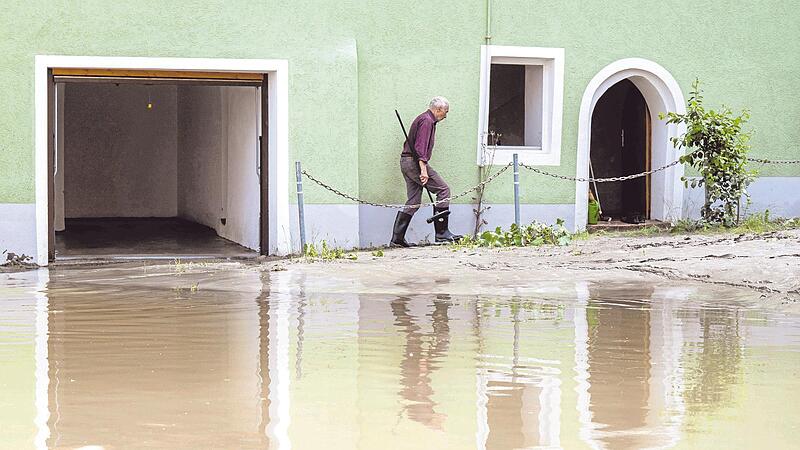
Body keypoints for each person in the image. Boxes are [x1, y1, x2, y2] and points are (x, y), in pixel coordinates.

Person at [390, 97, 462, 247]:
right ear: (438, 109)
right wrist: (423, 170)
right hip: (414, 163)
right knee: (443, 190)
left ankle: (397, 239)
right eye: (446, 111)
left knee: (414, 201)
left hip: (406, 162)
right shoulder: (427, 121)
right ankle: (442, 233)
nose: (446, 115)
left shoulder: (425, 119)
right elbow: (420, 147)